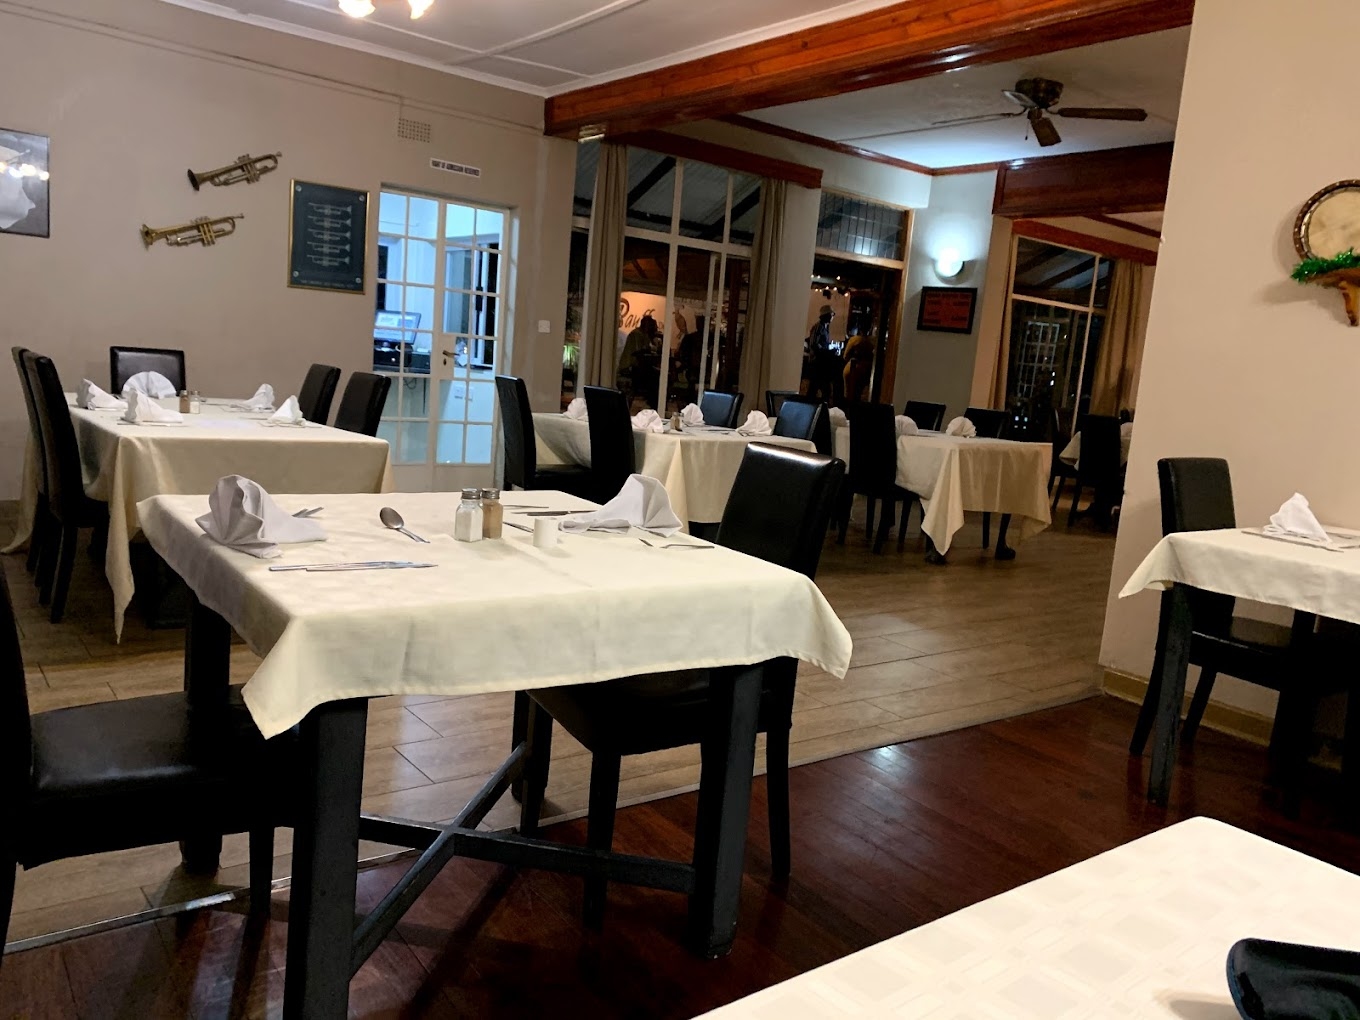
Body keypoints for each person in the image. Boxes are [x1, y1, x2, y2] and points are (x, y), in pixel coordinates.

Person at [617, 314, 658, 407]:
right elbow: (639, 354)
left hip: (635, 367)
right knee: (654, 379)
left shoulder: (642, 335)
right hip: (629, 368)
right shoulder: (637, 335)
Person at [806, 304, 842, 405]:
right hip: (817, 364)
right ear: (825, 316)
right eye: (831, 315)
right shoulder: (819, 327)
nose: (832, 317)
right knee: (821, 390)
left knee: (817, 389)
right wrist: (828, 352)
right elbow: (814, 345)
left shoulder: (825, 328)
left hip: (822, 364)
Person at [842, 329, 875, 403]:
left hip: (853, 368)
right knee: (858, 394)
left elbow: (845, 356)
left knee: (849, 394)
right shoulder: (870, 341)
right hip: (866, 370)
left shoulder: (854, 339)